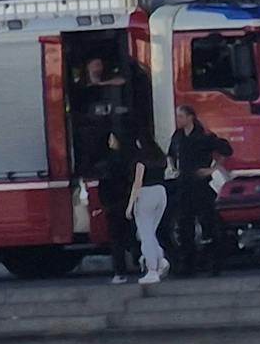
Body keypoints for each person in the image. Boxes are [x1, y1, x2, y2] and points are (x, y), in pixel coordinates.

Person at [167, 104, 233, 277]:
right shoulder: (178, 136)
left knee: (208, 223)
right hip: (183, 184)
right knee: (184, 225)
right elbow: (171, 154)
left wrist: (212, 169)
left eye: (181, 116)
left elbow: (226, 150)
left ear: (190, 117)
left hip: (200, 185)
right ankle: (187, 265)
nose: (178, 120)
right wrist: (174, 167)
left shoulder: (204, 136)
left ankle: (214, 263)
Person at [71, 56, 129, 176]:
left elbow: (122, 80)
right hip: (88, 131)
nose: (99, 68)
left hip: (106, 128)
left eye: (100, 65)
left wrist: (101, 84)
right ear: (88, 67)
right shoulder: (80, 88)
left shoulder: (107, 82)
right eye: (96, 65)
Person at [127, 136, 172, 285]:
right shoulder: (161, 159)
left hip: (145, 194)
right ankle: (160, 259)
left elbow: (137, 182)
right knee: (150, 232)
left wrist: (130, 205)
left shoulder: (141, 160)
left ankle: (152, 269)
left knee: (145, 233)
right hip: (161, 192)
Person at [98, 131, 139, 283]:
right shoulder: (130, 159)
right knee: (132, 235)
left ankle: (120, 272)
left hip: (113, 204)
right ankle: (142, 261)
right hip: (128, 201)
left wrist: (105, 201)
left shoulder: (108, 162)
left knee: (116, 240)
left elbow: (104, 184)